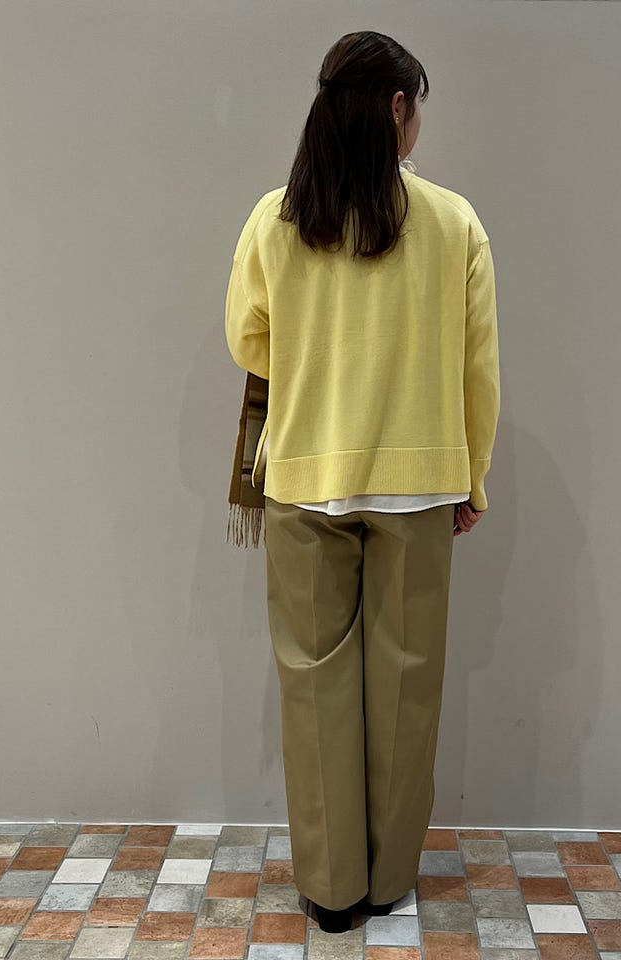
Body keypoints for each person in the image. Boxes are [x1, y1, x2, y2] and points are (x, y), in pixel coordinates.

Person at [224, 30, 500, 934]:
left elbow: (248, 338)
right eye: (417, 107)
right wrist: (473, 477)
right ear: (396, 106)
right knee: (407, 687)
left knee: (315, 688)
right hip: (419, 485)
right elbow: (479, 372)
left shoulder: (277, 217)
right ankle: (389, 883)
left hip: (307, 479)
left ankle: (333, 891)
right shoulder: (454, 223)